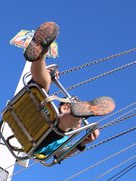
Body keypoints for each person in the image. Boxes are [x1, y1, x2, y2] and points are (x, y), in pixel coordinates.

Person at [20, 22, 115, 158]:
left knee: (60, 126)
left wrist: (84, 141)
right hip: (30, 114)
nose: (66, 105)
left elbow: (60, 155)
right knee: (43, 84)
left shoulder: (63, 138)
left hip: (38, 140)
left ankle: (76, 114)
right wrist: (49, 74)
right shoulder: (48, 109)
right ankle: (39, 55)